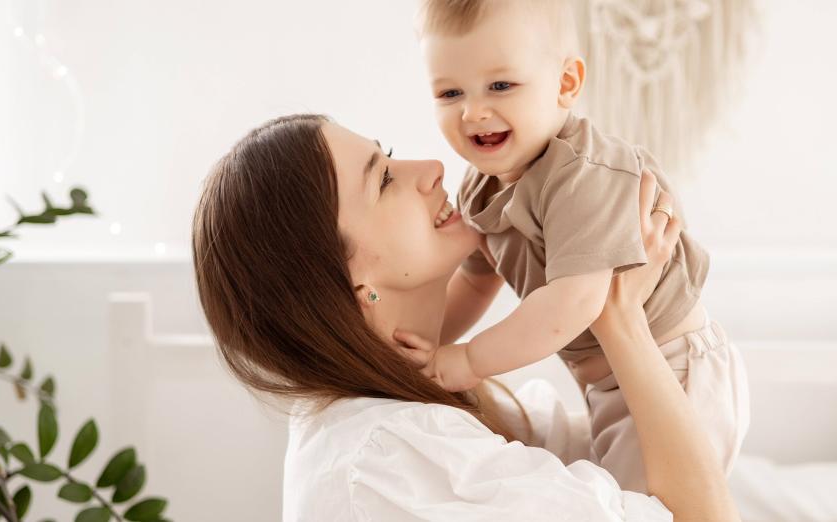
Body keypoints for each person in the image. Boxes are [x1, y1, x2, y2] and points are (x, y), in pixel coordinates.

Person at [192, 114, 741, 520]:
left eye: (391, 155)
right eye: (383, 181)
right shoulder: (391, 455)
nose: (431, 169)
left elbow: (639, 465)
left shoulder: (403, 409)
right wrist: (618, 320)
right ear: (345, 279)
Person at [415, 0, 750, 491]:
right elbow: (474, 277)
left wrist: (465, 361)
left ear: (566, 84)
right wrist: (429, 345)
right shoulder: (480, 186)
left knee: (646, 511)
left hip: (673, 370)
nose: (474, 111)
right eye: (450, 92)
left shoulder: (582, 174)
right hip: (612, 382)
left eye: (501, 85)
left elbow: (572, 302)